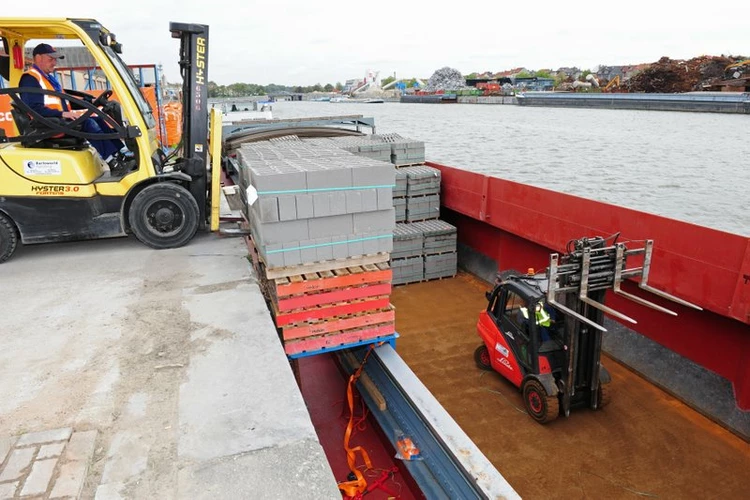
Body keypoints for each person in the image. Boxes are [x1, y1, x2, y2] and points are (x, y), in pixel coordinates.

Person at [19, 43, 130, 172]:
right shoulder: (30, 79)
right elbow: (33, 108)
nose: (54, 63)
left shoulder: (48, 79)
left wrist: (91, 101)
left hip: (56, 121)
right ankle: (112, 161)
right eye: (51, 59)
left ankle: (121, 152)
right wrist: (62, 114)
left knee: (98, 119)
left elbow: (66, 100)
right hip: (46, 124)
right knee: (87, 123)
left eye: (55, 59)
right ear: (38, 58)